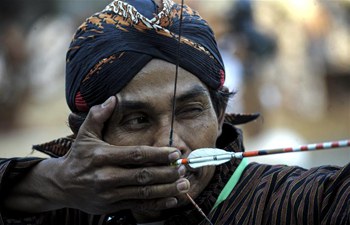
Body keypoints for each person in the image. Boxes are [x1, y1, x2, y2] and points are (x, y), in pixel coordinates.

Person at [1, 0, 349, 224]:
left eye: (190, 111)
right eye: (136, 119)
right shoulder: (62, 209)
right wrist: (52, 183)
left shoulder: (295, 203)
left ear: (220, 111)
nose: (171, 147)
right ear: (85, 135)